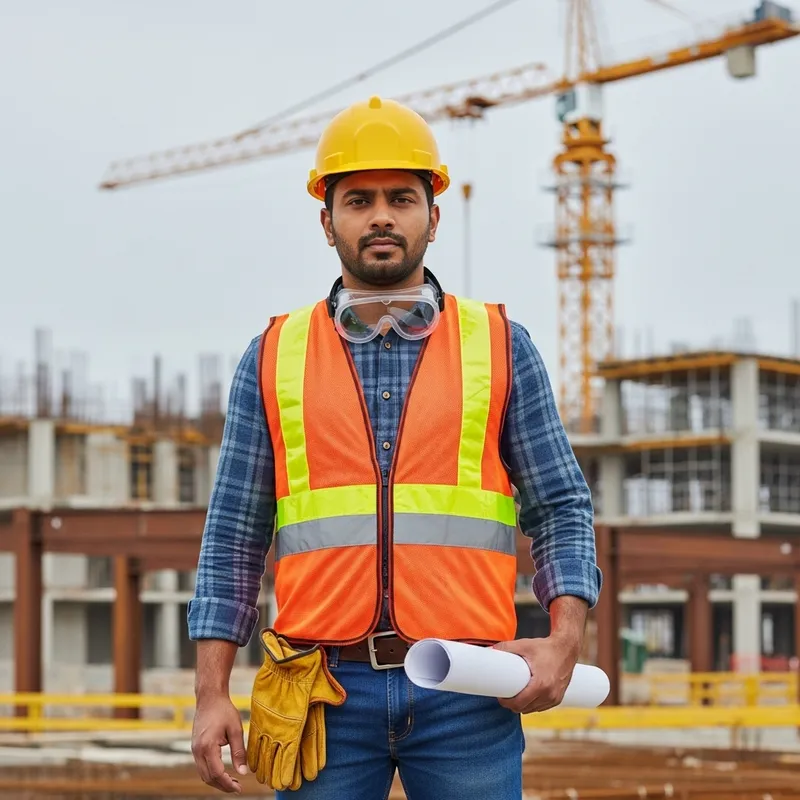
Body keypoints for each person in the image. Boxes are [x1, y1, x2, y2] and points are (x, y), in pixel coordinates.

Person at [187, 95, 602, 799]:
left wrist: (565, 641)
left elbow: (560, 506)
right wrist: (210, 692)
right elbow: (233, 534)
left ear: (433, 217)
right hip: (321, 691)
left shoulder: (503, 349)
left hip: (469, 687)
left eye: (402, 198)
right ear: (327, 222)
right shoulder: (273, 356)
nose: (381, 215)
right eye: (358, 200)